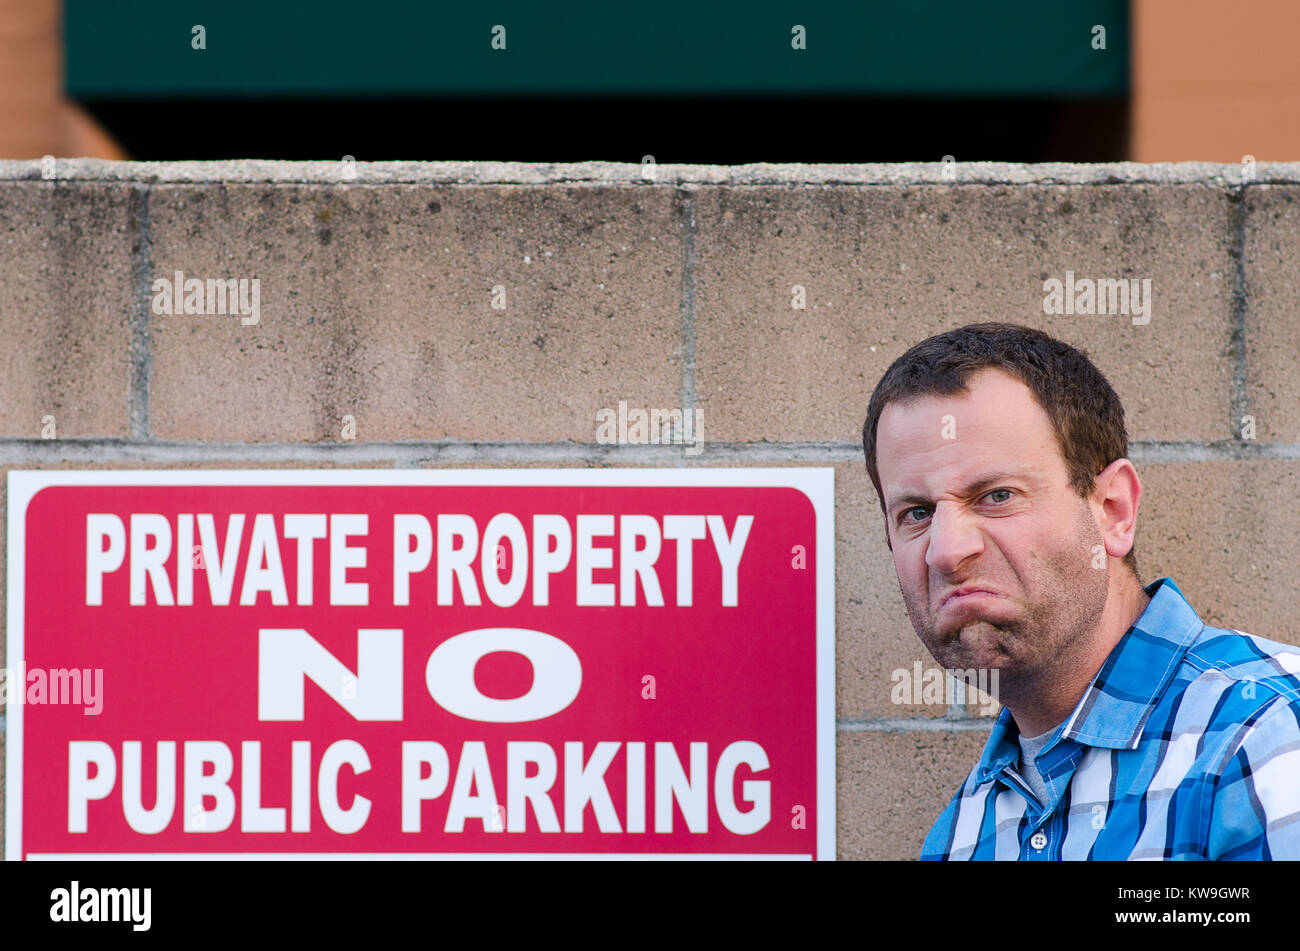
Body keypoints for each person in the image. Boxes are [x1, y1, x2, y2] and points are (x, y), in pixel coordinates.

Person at [861, 322, 1300, 860]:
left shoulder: (1265, 738)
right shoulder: (964, 834)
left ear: (1114, 510)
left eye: (997, 495)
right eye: (917, 513)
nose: (946, 550)